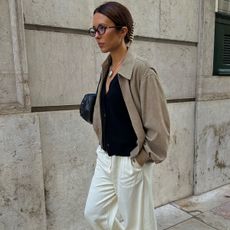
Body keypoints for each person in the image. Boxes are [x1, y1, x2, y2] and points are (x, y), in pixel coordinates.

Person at [84, 2, 170, 230]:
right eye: (94, 30)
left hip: (130, 160)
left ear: (122, 31)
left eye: (102, 29)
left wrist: (139, 161)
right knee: (94, 214)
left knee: (138, 225)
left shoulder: (143, 72)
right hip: (105, 158)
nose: (97, 36)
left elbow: (158, 129)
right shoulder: (107, 68)